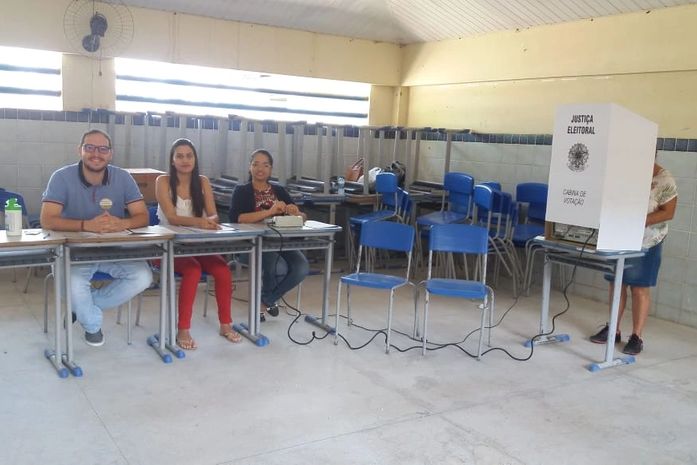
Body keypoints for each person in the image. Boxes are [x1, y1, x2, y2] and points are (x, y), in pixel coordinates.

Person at [41, 129, 152, 347]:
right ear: (80, 150)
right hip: (74, 252)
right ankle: (92, 325)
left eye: (103, 149)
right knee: (73, 284)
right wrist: (85, 225)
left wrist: (122, 223)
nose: (96, 154)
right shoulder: (61, 177)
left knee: (143, 277)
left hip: (114, 249)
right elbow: (47, 220)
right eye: (90, 147)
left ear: (110, 153)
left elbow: (142, 216)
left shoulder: (123, 177)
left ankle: (81, 307)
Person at [156, 138, 240, 349]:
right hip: (167, 247)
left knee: (223, 270)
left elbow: (213, 214)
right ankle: (183, 329)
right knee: (192, 271)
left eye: (189, 156)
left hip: (196, 245)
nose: (185, 160)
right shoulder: (162, 181)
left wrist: (209, 221)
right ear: (172, 160)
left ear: (195, 159)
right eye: (179, 156)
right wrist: (200, 222)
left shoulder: (202, 181)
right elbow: (172, 218)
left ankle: (226, 325)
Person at [590, 160, 678, 355]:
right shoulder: (626, 173)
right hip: (620, 237)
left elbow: (669, 212)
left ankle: (637, 337)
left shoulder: (664, 179)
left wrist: (640, 221)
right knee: (616, 283)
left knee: (639, 288)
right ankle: (613, 330)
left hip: (647, 241)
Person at [229, 149, 309, 321]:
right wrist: (270, 211)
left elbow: (302, 216)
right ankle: (267, 302)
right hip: (251, 245)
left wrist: (296, 213)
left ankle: (266, 301)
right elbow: (238, 218)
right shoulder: (241, 191)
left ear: (271, 169)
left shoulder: (279, 191)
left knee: (302, 267)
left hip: (280, 242)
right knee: (277, 265)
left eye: (265, 165)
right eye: (256, 164)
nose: (260, 169)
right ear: (250, 167)